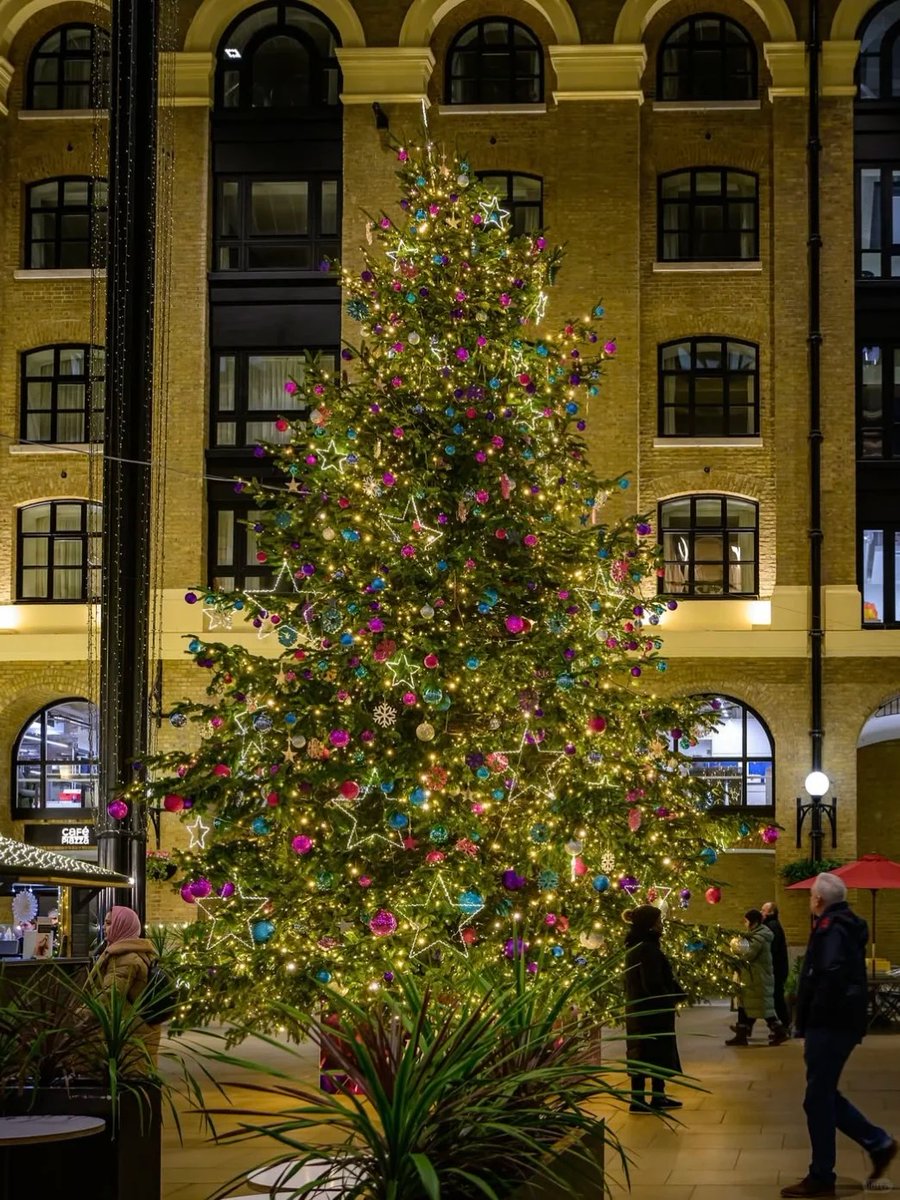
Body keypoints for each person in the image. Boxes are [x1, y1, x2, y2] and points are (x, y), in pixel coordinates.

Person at [781, 873, 897, 1198]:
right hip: (840, 1024)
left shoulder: (831, 928)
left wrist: (811, 1016)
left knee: (817, 1099)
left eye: (810, 897)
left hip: (829, 1025)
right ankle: (878, 1143)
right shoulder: (844, 924)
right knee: (823, 1094)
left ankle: (822, 1176)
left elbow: (827, 974)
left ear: (817, 900)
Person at [623, 904, 686, 1113]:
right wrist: (669, 998)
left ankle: (645, 1098)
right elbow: (653, 982)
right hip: (652, 1012)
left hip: (639, 1010)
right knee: (654, 1051)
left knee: (643, 1052)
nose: (661, 925)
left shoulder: (637, 946)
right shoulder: (647, 949)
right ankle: (649, 1098)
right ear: (649, 925)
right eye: (658, 921)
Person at [89, 905, 160, 1060]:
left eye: (109, 923)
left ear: (122, 926)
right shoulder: (137, 953)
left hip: (127, 1039)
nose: (104, 927)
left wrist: (80, 1016)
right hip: (135, 1035)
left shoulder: (125, 958)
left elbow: (109, 996)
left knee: (128, 1080)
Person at [726, 908, 789, 1046]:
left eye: (747, 921)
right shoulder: (757, 934)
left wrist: (736, 946)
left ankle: (780, 1032)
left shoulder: (759, 937)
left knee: (764, 1008)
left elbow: (748, 954)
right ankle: (741, 1035)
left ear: (753, 922)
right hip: (752, 977)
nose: (745, 923)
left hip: (758, 978)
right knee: (745, 1006)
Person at [762, 900, 791, 1029]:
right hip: (778, 968)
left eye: (764, 910)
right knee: (774, 997)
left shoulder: (771, 926)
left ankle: (785, 1024)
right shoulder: (772, 925)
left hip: (776, 969)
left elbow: (772, 948)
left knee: (776, 997)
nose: (761, 912)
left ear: (771, 912)